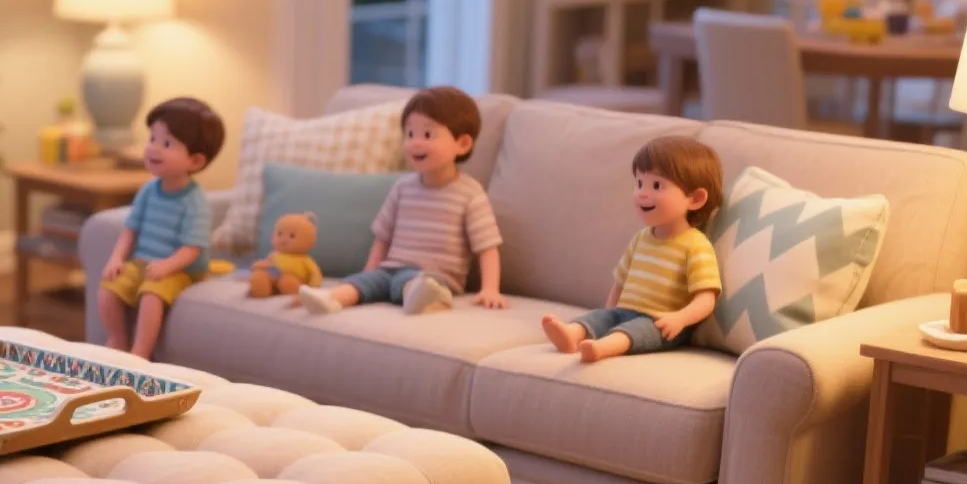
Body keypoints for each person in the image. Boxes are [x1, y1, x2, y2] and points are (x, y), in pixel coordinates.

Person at [299, 86, 507, 316]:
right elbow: (382, 238)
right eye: (409, 134)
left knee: (411, 282)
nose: (415, 143)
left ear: (463, 144)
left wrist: (490, 289)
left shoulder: (471, 194)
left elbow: (487, 247)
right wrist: (368, 273)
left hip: (435, 277)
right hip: (390, 269)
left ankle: (426, 298)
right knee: (363, 282)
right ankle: (330, 299)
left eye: (427, 134)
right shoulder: (402, 187)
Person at [541, 135, 724, 363]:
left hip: (662, 323)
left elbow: (706, 299)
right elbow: (620, 282)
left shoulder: (696, 245)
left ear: (695, 199)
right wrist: (609, 313)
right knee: (599, 317)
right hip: (624, 312)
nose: (642, 193)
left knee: (636, 331)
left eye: (656, 185)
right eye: (639, 183)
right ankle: (572, 334)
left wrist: (680, 318)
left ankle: (603, 347)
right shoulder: (641, 238)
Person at [98, 96, 226, 359]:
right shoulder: (148, 190)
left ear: (195, 161)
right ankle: (117, 340)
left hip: (180, 269)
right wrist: (116, 258)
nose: (153, 149)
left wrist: (167, 266)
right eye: (152, 139)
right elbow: (130, 231)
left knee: (151, 296)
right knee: (108, 288)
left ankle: (140, 354)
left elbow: (192, 248)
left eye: (166, 143)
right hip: (143, 262)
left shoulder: (195, 201)